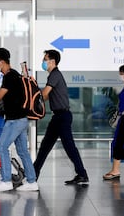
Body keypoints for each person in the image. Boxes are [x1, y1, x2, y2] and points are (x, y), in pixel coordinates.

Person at [0, 47, 38, 192]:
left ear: (2, 62)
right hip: (21, 119)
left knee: (2, 147)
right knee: (22, 150)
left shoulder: (9, 76)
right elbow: (4, 99)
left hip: (15, 120)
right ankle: (31, 181)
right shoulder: (15, 75)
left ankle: (6, 181)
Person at [33, 49, 89, 185]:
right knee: (45, 146)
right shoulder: (53, 75)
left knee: (69, 147)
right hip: (58, 116)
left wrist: (33, 99)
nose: (43, 62)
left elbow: (45, 94)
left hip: (62, 117)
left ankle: (82, 174)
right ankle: (33, 174)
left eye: (45, 59)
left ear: (52, 61)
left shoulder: (55, 75)